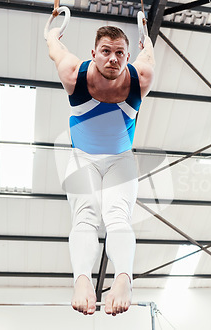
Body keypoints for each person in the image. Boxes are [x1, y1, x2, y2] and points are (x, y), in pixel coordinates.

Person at [46, 25, 155, 316]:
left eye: (120, 53)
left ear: (128, 56)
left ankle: (124, 278)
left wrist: (147, 43)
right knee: (85, 218)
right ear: (93, 54)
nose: (113, 59)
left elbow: (149, 55)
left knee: (118, 216)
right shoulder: (73, 73)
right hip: (83, 159)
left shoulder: (140, 76)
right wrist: (51, 33)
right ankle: (82, 280)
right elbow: (55, 49)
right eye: (106, 51)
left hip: (121, 159)